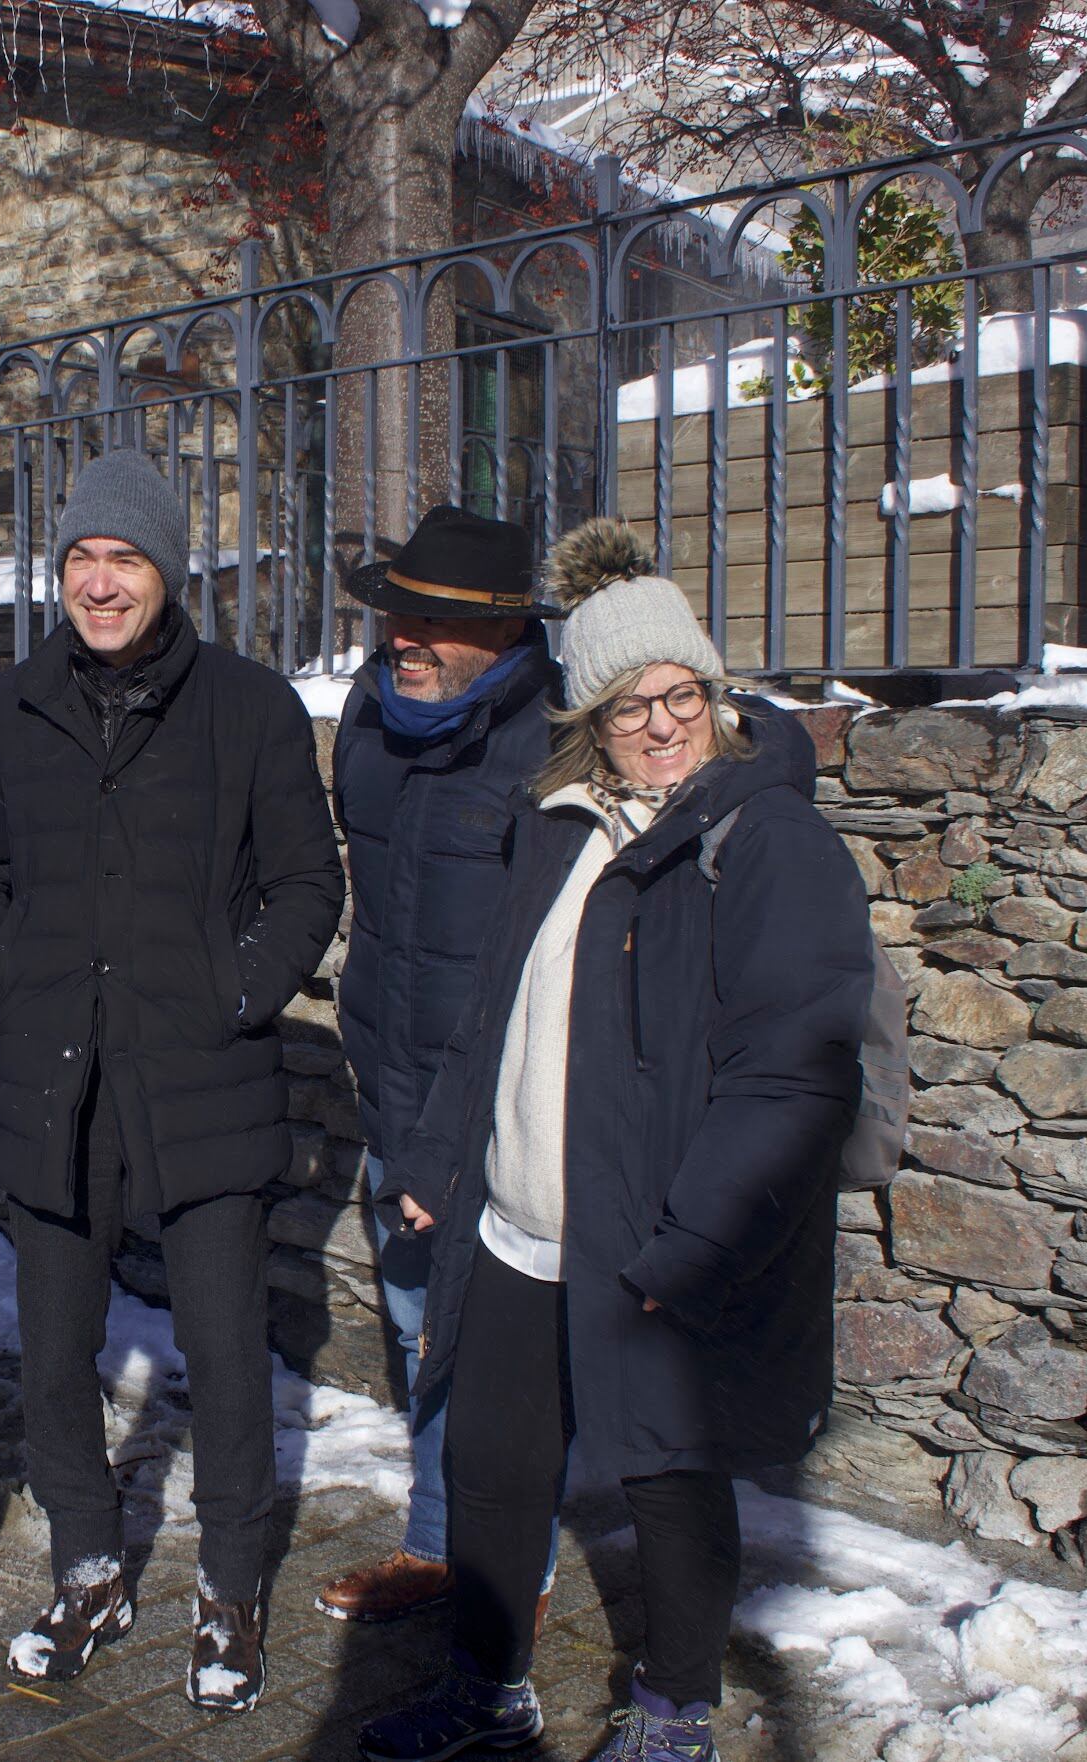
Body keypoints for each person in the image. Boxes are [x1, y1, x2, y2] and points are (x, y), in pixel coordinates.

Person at [358, 520, 871, 1762]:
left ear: (714, 693)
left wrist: (696, 1244)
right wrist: (434, 1162)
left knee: (668, 1482)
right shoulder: (555, 825)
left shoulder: (761, 844)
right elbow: (490, 1014)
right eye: (627, 703)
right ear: (586, 716)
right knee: (490, 1470)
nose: (658, 723)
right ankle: (486, 1690)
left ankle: (673, 1714)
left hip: (653, 1245)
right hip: (519, 1226)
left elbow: (793, 1075)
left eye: (679, 693)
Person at [0, 451, 344, 1714]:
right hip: (53, 1080)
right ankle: (86, 1562)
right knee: (55, 1348)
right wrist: (8, 972)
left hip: (201, 1077)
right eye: (79, 560)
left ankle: (230, 1584)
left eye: (124, 560)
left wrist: (235, 994)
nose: (100, 583)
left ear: (167, 573)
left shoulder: (248, 706)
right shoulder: (9, 711)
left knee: (226, 1353)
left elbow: (306, 884)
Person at [316, 505, 566, 1629]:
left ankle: (513, 1564)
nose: (402, 635)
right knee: (420, 1322)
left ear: (505, 631)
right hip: (391, 1075)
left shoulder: (558, 735)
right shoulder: (371, 712)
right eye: (397, 612)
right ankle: (438, 1544)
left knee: (504, 1347)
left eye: (434, 621)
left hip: (503, 1102)